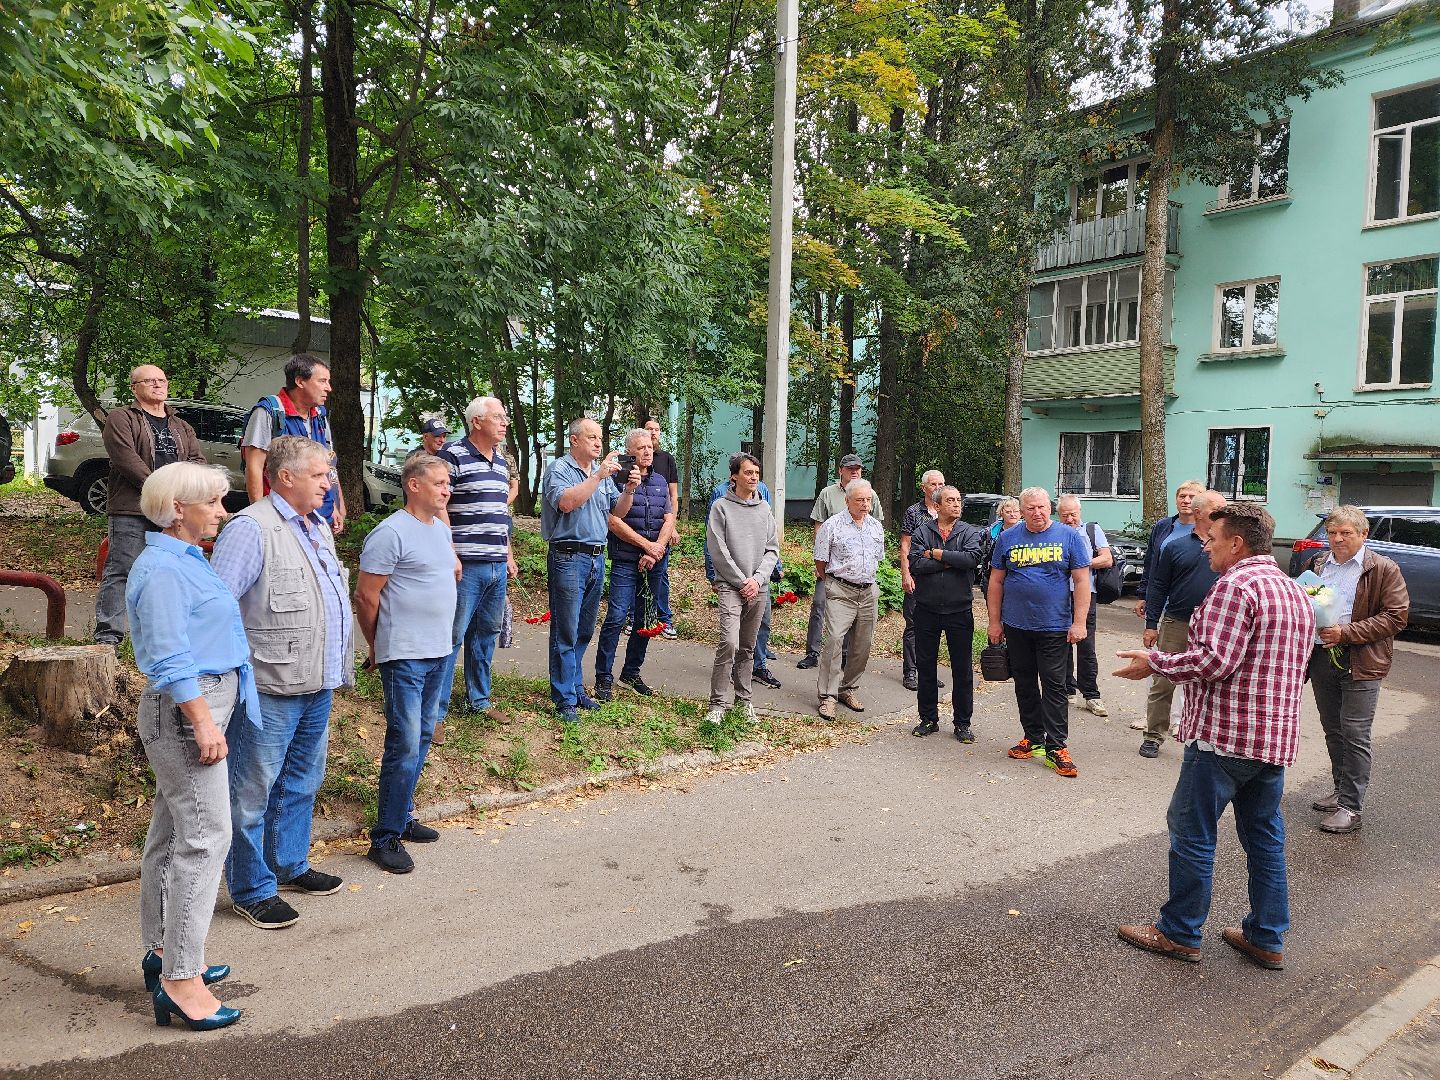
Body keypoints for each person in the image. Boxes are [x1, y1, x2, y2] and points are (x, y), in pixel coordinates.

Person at [1115, 504, 1315, 971]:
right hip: (1273, 740)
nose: (1205, 545)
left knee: (1192, 833)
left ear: (1237, 544)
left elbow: (1213, 661)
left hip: (1225, 739)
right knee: (1264, 839)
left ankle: (1179, 932)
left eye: (1212, 539)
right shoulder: (1293, 590)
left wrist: (1157, 662)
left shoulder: (1235, 586)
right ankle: (1266, 937)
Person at [126, 461, 257, 1031]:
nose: (222, 513)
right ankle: (181, 980)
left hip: (202, 704)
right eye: (214, 503)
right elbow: (168, 654)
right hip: (187, 710)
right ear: (179, 508)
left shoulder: (185, 560)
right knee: (206, 838)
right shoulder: (160, 569)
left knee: (174, 831)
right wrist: (204, 722)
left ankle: (164, 953)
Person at [213, 436, 353, 930]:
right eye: (321, 474)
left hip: (317, 681)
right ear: (286, 477)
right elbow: (217, 609)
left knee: (301, 781)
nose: (329, 482)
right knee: (250, 791)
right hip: (267, 687)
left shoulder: (316, 526)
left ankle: (289, 865)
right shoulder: (251, 529)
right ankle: (251, 888)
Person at [353, 454, 460, 874]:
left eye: (447, 482)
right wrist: (377, 643)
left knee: (424, 735)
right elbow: (366, 596)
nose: (446, 489)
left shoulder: (437, 529)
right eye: (438, 483)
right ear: (414, 485)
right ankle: (385, 837)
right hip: (405, 654)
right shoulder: (390, 533)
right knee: (404, 743)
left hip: (439, 651)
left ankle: (403, 815)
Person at [1305, 505, 1409, 834]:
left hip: (1362, 660)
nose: (1337, 539)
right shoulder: (1318, 563)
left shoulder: (1382, 568)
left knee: (1355, 733)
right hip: (1323, 656)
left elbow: (1396, 616)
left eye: (1345, 533)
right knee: (1333, 729)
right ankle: (1340, 790)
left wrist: (1346, 633)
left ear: (1363, 535)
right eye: (1332, 533)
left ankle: (1351, 807)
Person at [95, 366, 206, 647]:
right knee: (122, 570)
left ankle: (167, 638)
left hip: (174, 510)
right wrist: (164, 491)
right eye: (149, 381)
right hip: (132, 508)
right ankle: (108, 639)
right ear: (134, 387)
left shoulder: (181, 425)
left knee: (170, 572)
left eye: (162, 380)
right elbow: (126, 460)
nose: (157, 385)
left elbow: (197, 461)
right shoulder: (122, 418)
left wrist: (189, 491)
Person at [988, 486, 1091, 778]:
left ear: (1051, 507)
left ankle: (1056, 746)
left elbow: (1082, 581)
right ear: (1021, 511)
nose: (1037, 513)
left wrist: (1079, 622)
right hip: (1016, 625)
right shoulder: (1007, 538)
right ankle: (1033, 738)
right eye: (1031, 508)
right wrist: (995, 622)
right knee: (1024, 683)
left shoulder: (1069, 536)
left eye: (1042, 507)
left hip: (1055, 626)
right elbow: (996, 582)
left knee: (1054, 685)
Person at [541, 418, 638, 723]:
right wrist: (598, 475)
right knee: (566, 630)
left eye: (600, 438)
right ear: (574, 440)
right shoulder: (560, 469)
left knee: (584, 629)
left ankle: (574, 686)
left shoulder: (603, 475)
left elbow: (616, 512)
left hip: (597, 557)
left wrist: (630, 490)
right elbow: (566, 503)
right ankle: (564, 698)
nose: (599, 443)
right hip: (568, 556)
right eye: (592, 437)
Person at [438, 397, 516, 718]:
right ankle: (436, 712)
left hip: (496, 564)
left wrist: (508, 553)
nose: (505, 422)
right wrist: (450, 552)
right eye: (498, 417)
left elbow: (500, 513)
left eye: (505, 417)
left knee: (486, 635)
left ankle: (479, 701)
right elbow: (438, 504)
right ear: (477, 422)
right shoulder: (451, 456)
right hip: (465, 565)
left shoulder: (500, 463)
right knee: (452, 636)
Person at [1138, 488, 1224, 757]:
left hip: (1215, 624)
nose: (1223, 516)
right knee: (1163, 680)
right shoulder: (1175, 546)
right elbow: (1158, 585)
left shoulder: (1229, 546)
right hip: (1177, 621)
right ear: (1199, 513)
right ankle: (1153, 735)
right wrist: (1151, 623)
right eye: (1216, 511)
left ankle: (1204, 737)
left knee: (1211, 682)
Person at [595, 428, 675, 701]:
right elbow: (613, 522)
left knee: (645, 620)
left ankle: (631, 672)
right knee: (616, 617)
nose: (648, 451)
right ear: (630, 452)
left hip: (654, 562)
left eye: (650, 446)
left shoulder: (661, 481)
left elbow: (669, 519)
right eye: (641, 448)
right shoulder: (617, 480)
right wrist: (645, 546)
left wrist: (656, 550)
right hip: (626, 561)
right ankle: (603, 677)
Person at [705, 453, 779, 725]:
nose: (754, 477)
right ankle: (717, 704)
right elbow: (718, 550)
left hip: (757, 587)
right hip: (730, 586)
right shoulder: (721, 507)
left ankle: (744, 699)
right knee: (730, 642)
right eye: (748, 472)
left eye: (756, 473)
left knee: (748, 646)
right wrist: (741, 581)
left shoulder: (764, 509)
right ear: (734, 476)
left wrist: (757, 580)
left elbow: (772, 550)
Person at [907, 487, 985, 742]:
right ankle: (928, 718)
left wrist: (938, 554)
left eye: (958, 500)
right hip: (927, 609)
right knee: (926, 666)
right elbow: (916, 563)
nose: (956, 504)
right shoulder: (922, 531)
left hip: (959, 610)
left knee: (962, 670)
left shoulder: (969, 531)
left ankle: (963, 723)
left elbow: (972, 559)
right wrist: (953, 561)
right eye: (950, 500)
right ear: (937, 506)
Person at [240, 353, 346, 535]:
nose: (328, 388)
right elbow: (254, 467)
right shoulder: (269, 412)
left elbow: (329, 465)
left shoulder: (320, 416)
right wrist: (261, 518)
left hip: (320, 518)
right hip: (281, 519)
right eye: (322, 381)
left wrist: (336, 505)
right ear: (300, 381)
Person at [798, 454, 882, 669]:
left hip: (858, 571)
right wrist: (821, 560)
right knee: (819, 605)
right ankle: (813, 653)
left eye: (858, 468)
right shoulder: (828, 494)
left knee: (853, 618)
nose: (854, 472)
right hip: (830, 565)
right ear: (840, 470)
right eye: (850, 468)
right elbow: (819, 526)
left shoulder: (869, 493)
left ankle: (844, 656)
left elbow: (875, 527)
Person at [814, 480, 886, 720]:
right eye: (860, 500)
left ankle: (848, 689)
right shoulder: (832, 526)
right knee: (834, 640)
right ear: (847, 501)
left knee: (861, 645)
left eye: (868, 500)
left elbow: (879, 559)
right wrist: (834, 584)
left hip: (868, 592)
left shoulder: (876, 527)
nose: (865, 505)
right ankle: (827, 696)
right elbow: (820, 561)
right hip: (840, 590)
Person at [1057, 494, 1112, 718]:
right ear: (1058, 515)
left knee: (1086, 645)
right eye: (1065, 515)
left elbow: (1107, 559)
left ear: (1080, 512)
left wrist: (1080, 562)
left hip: (1085, 594)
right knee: (1061, 643)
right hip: (1059, 594)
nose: (1070, 518)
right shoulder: (1055, 532)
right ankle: (1068, 689)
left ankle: (1091, 694)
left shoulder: (1091, 530)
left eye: (1073, 514)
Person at [899, 470, 947, 692]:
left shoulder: (947, 510)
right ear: (924, 487)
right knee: (913, 624)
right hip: (917, 575)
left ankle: (928, 671)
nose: (938, 487)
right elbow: (906, 545)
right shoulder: (913, 512)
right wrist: (906, 574)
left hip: (939, 578)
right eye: (934, 484)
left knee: (934, 626)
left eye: (942, 483)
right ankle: (910, 671)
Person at [1132, 481, 1203, 621]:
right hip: (1160, 597)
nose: (1186, 501)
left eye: (1191, 497)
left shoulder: (1207, 529)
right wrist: (1143, 595)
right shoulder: (1163, 526)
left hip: (1190, 603)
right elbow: (1150, 562)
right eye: (1182, 496)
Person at [644, 418, 680, 639]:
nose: (653, 433)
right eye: (649, 429)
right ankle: (634, 617)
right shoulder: (633, 459)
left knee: (660, 575)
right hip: (638, 528)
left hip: (662, 527)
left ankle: (664, 619)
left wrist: (672, 525)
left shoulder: (667, 460)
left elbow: (673, 495)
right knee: (634, 573)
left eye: (656, 430)